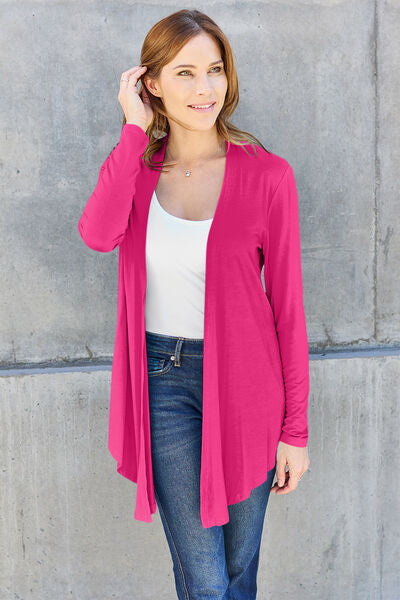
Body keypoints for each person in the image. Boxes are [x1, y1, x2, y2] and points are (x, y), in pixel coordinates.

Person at [78, 9, 310, 599]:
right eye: (184, 73)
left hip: (250, 387)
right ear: (151, 83)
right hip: (164, 384)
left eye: (214, 70)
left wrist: (296, 431)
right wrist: (134, 131)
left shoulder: (268, 176)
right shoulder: (137, 170)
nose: (205, 88)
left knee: (238, 571)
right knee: (206, 582)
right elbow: (98, 235)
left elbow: (288, 310)